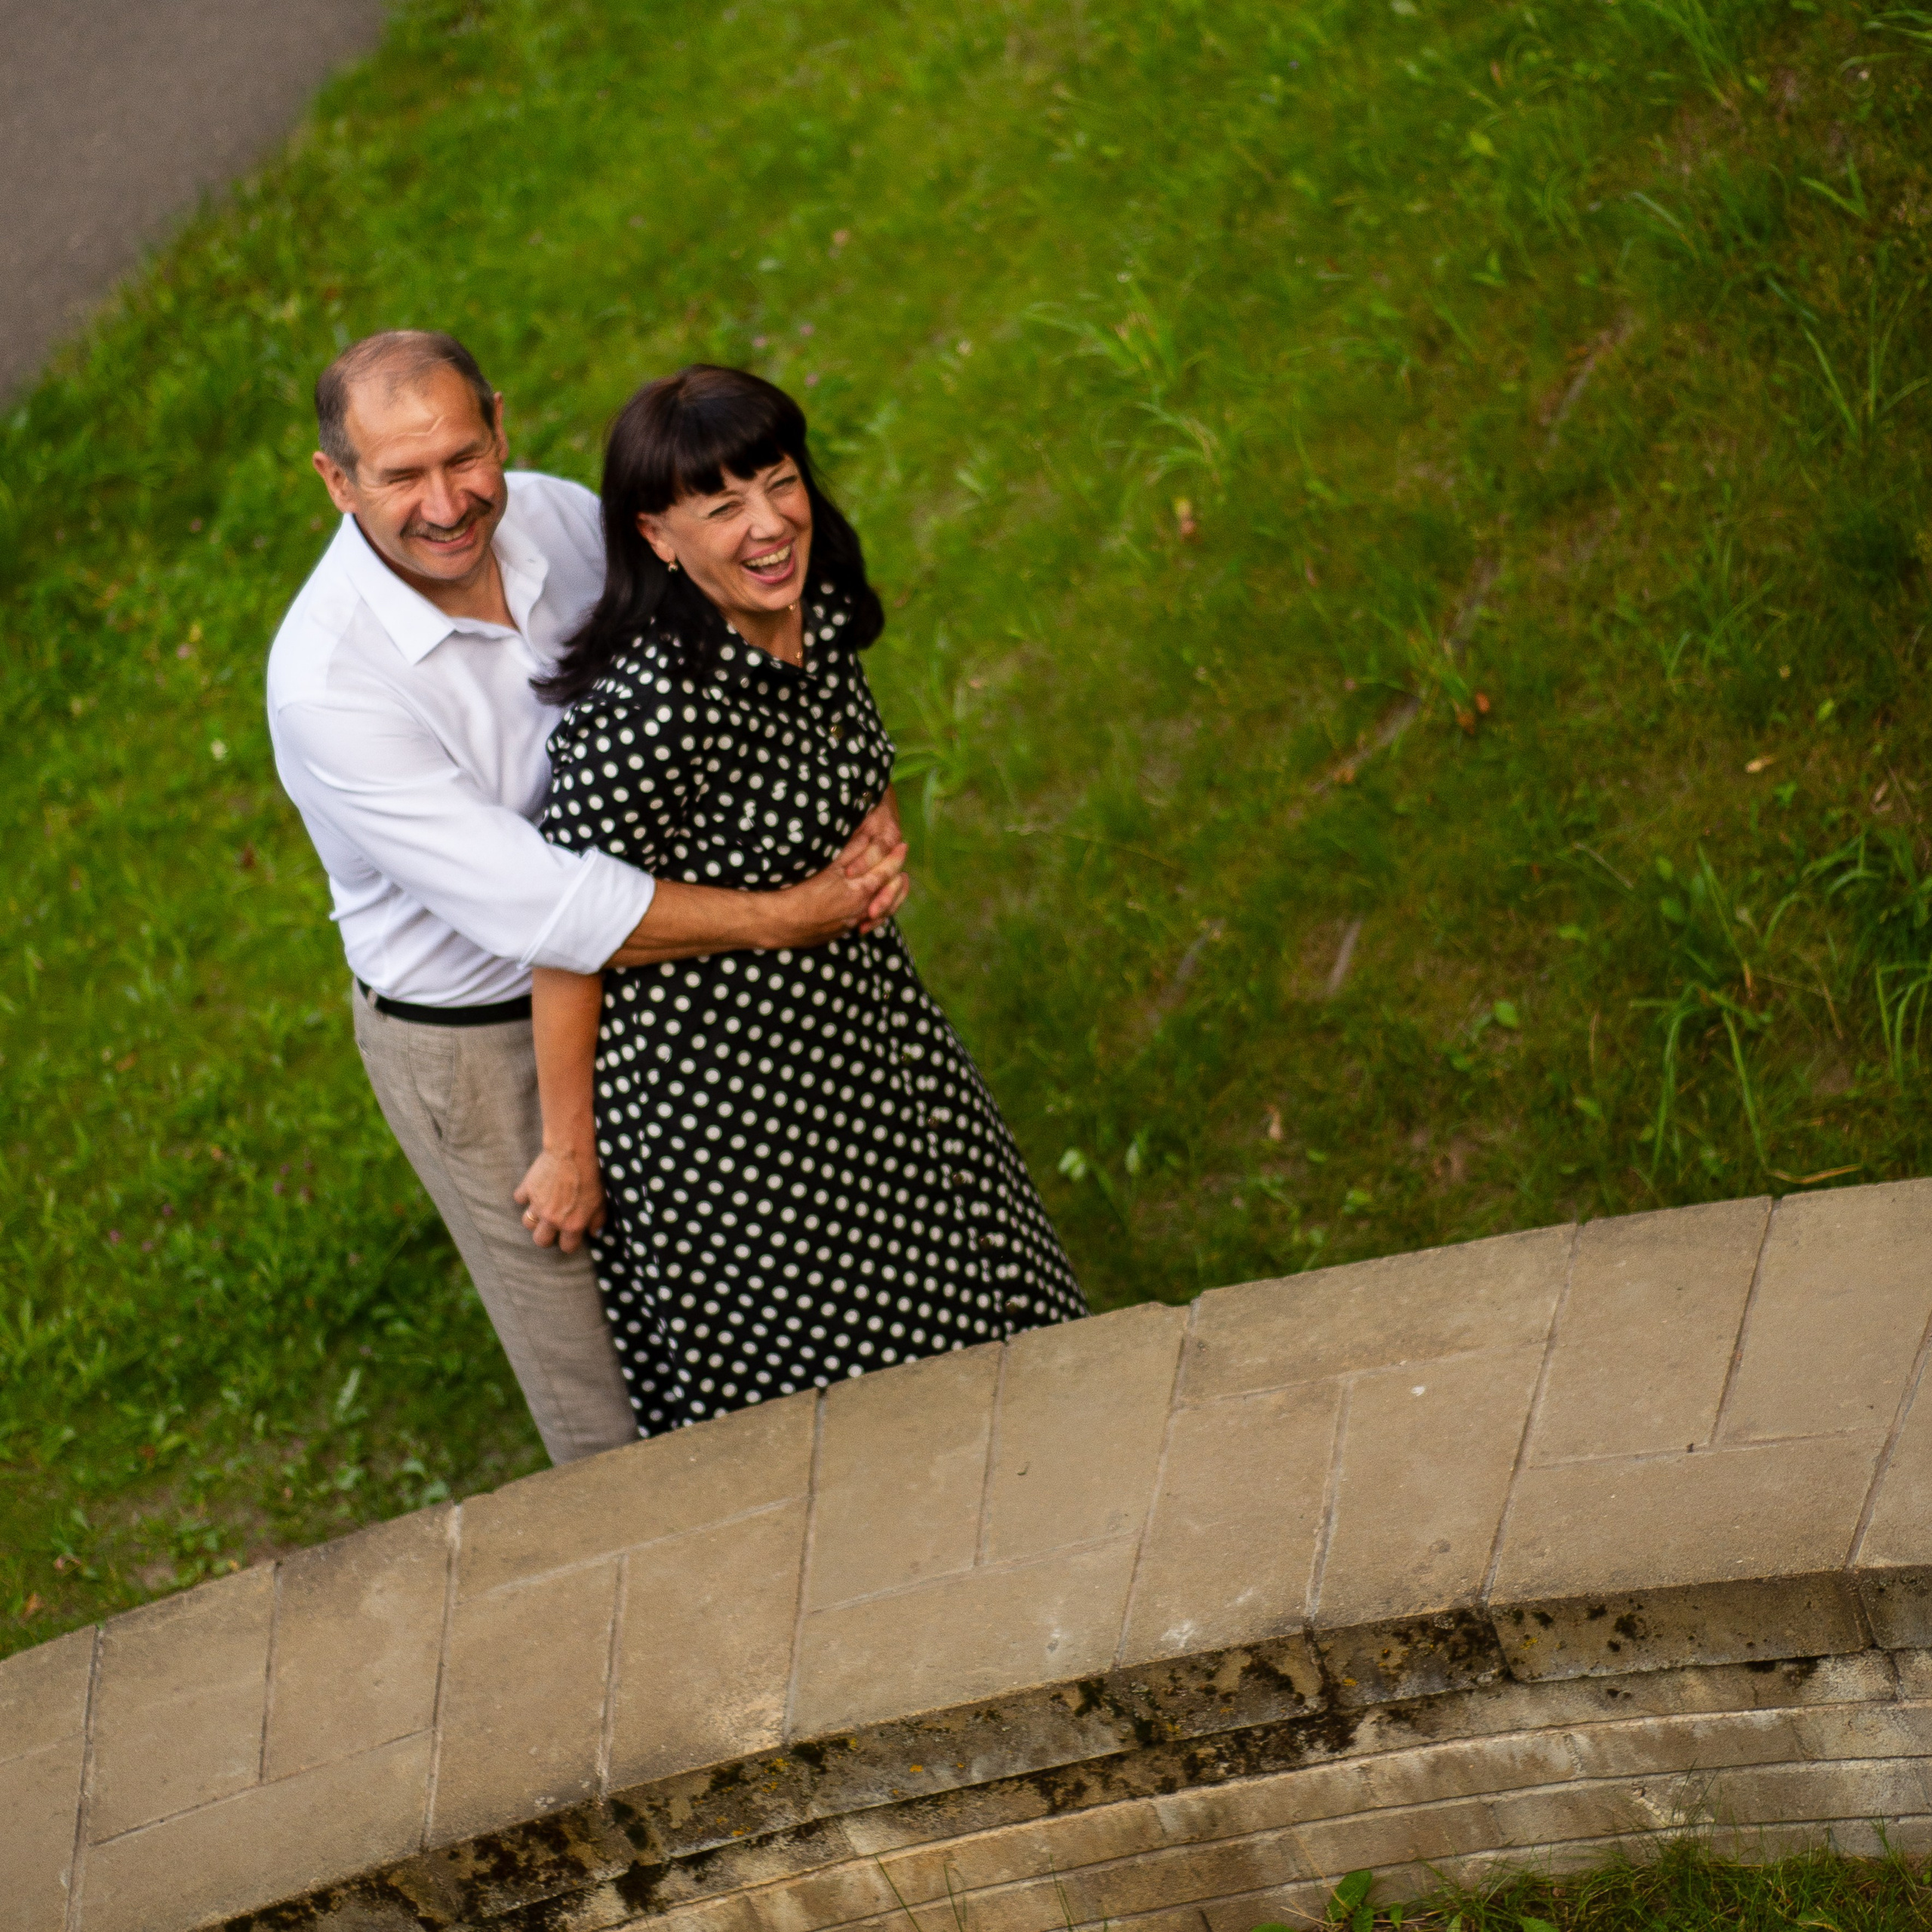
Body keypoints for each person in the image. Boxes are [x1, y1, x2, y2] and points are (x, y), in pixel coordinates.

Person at [266, 331, 908, 1465]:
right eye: (401, 476)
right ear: (338, 481)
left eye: (464, 456)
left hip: (669, 991)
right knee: (609, 1403)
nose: (448, 503)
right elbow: (546, 912)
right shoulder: (331, 684)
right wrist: (786, 913)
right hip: (484, 1041)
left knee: (728, 1328)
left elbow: (735, 657)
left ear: (500, 424)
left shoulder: (563, 521)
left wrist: (855, 804)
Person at [519, 365, 1084, 1435]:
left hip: (871, 1040)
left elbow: (836, 743)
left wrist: (875, 818)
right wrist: (568, 1152)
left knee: (997, 1305)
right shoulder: (645, 719)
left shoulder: (814, 608)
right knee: (855, 1414)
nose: (769, 524)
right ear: (658, 536)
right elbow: (566, 935)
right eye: (721, 506)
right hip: (732, 1122)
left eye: (778, 483)